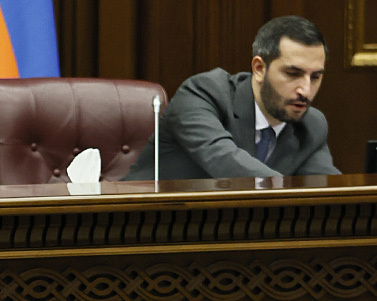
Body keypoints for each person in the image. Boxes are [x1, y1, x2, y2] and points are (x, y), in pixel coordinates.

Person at [124, 16, 339, 181]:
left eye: (315, 77)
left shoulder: (311, 125)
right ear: (259, 68)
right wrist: (292, 193)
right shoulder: (203, 94)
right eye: (293, 74)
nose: (305, 90)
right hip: (147, 219)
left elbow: (330, 190)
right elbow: (225, 162)